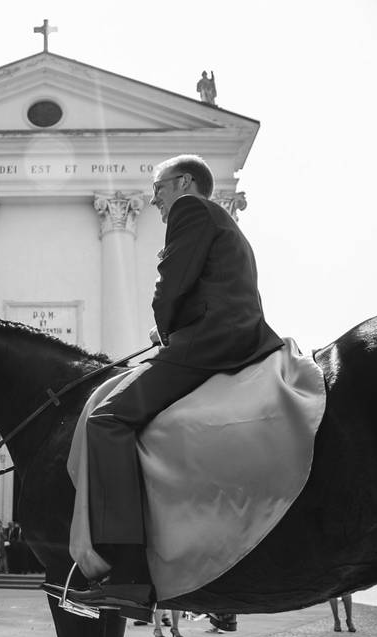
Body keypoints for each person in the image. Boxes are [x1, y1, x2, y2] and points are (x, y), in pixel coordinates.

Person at [65, 154, 283, 613]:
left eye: (158, 188)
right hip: (230, 332)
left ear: (183, 182)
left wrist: (166, 333)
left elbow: (172, 281)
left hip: (209, 342)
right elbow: (208, 285)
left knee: (106, 420)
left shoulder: (191, 209)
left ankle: (127, 573)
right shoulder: (222, 221)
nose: (155, 199)